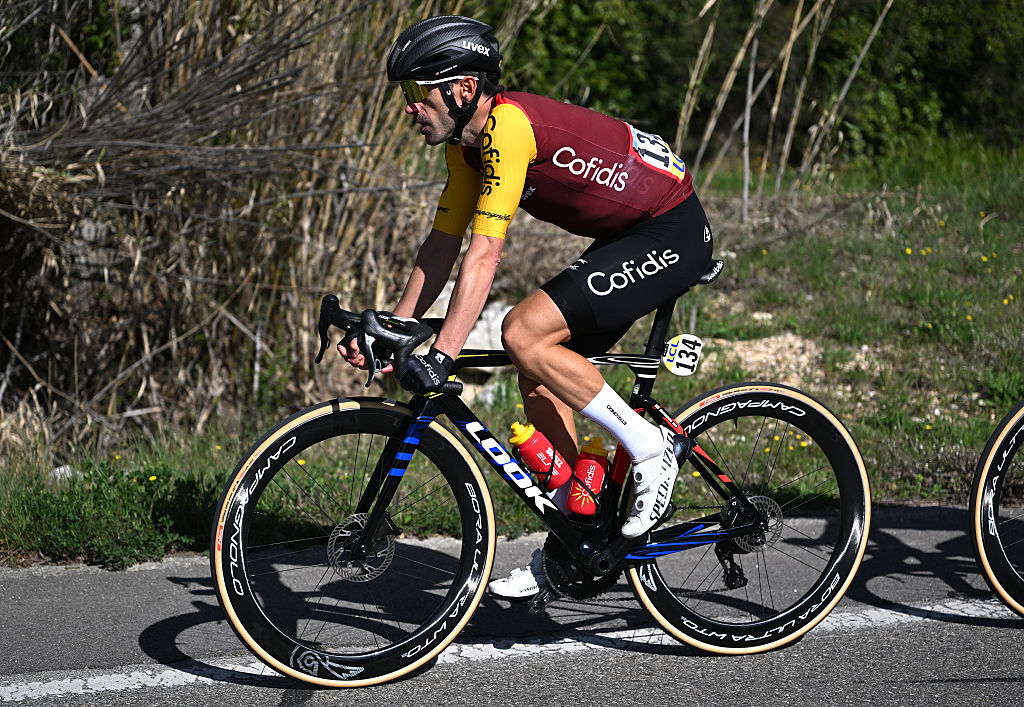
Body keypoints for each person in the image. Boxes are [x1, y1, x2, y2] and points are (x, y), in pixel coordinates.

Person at [338, 15, 714, 600]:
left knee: (523, 334)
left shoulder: (508, 130)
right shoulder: (465, 148)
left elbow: (484, 254)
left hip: (671, 228)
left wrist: (443, 354)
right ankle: (574, 540)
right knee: (539, 372)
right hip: (628, 234)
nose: (409, 107)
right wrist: (396, 324)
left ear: (463, 89)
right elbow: (443, 243)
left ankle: (649, 446)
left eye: (418, 91)